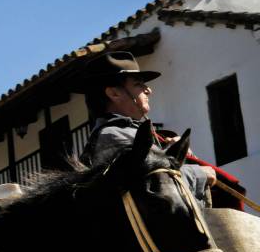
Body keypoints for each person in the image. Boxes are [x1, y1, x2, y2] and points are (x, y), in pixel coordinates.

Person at [75, 51, 216, 205]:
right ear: (114, 93)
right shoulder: (111, 135)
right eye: (138, 84)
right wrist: (198, 173)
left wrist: (174, 152)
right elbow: (148, 181)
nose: (148, 90)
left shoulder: (126, 132)